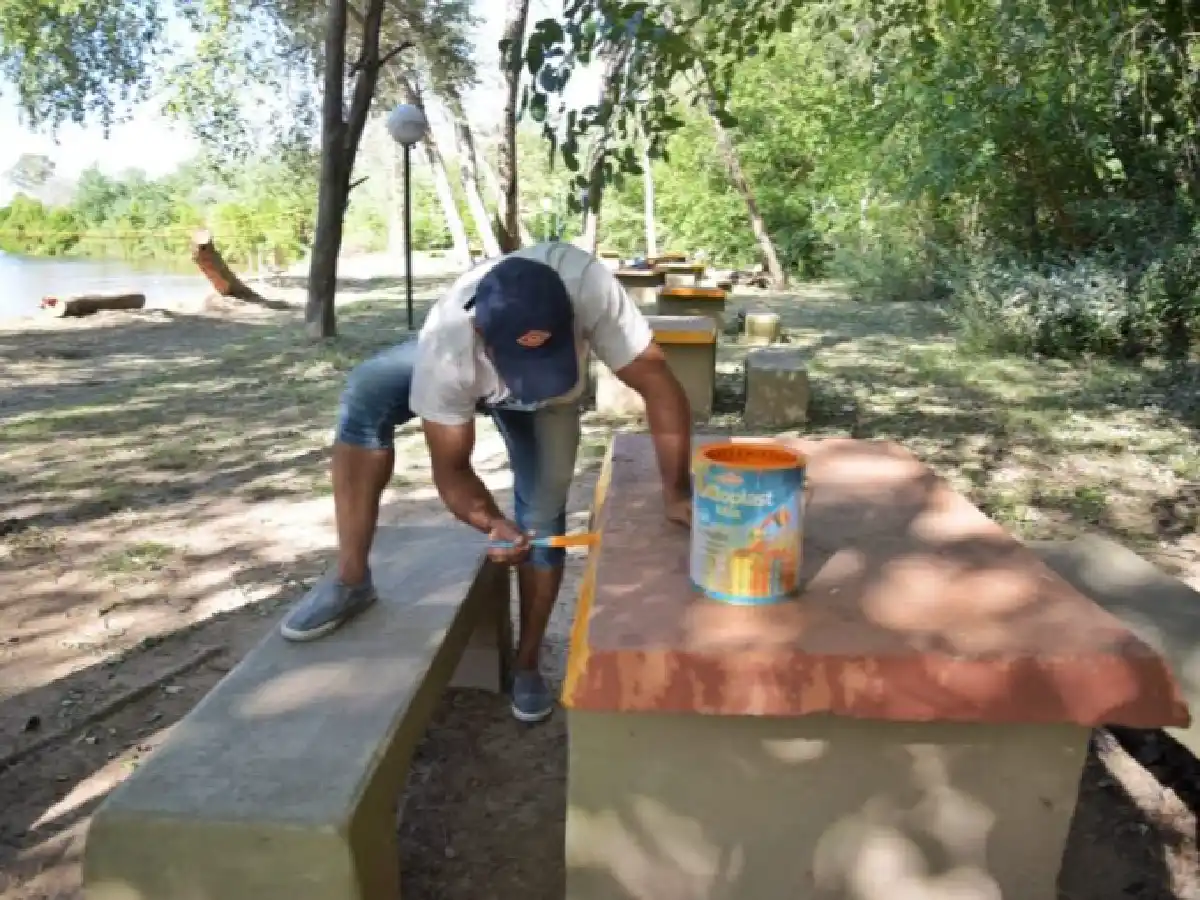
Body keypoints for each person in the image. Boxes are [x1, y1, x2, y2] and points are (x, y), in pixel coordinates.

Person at [279, 241, 694, 724]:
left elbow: (659, 384)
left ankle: (528, 663)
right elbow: (452, 470)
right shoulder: (448, 346)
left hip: (551, 406)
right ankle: (351, 581)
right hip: (462, 373)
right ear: (482, 337)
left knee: (543, 512)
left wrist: (677, 492)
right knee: (366, 392)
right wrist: (491, 522)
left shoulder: (590, 288)